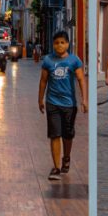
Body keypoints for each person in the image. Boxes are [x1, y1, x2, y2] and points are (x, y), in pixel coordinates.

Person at [38, 31, 87, 181]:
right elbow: (43, 81)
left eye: (62, 42)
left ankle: (66, 157)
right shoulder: (48, 60)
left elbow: (81, 80)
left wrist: (84, 100)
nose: (59, 46)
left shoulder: (74, 61)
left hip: (69, 105)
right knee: (55, 134)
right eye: (56, 43)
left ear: (67, 44)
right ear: (53, 44)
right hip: (52, 103)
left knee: (67, 135)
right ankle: (56, 167)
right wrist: (40, 99)